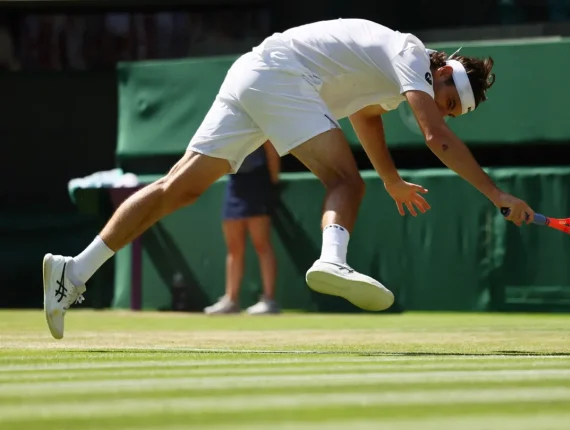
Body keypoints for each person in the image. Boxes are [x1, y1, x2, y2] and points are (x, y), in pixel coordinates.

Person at [42, 18, 535, 339]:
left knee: (179, 188)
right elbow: (436, 138)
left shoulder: (393, 73)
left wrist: (390, 179)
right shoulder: (410, 53)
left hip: (253, 72)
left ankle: (74, 271)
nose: (441, 113)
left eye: (449, 111)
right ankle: (332, 261)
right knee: (346, 182)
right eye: (447, 103)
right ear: (443, 73)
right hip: (283, 76)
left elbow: (366, 116)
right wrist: (496, 194)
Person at [204, 143, 281, 315]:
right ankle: (231, 300)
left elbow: (272, 151)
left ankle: (269, 300)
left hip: (258, 179)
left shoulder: (261, 127)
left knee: (261, 244)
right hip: (235, 181)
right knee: (234, 247)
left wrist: (273, 183)